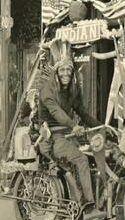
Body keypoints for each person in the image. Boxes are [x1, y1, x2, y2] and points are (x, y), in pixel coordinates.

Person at [39, 39, 101, 206]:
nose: (66, 73)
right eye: (63, 69)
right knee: (81, 159)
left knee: (94, 156)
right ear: (57, 71)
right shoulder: (47, 90)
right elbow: (56, 113)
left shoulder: (72, 90)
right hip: (51, 138)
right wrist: (74, 125)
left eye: (69, 70)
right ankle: (88, 205)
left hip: (67, 135)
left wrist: (102, 127)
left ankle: (86, 199)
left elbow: (82, 112)